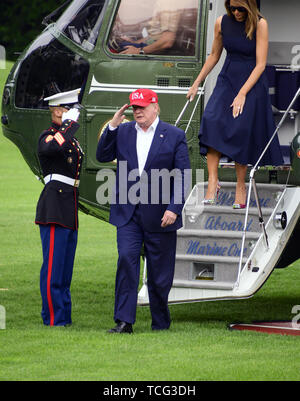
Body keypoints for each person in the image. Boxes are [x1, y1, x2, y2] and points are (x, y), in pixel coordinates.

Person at [96, 88, 190, 333]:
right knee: (127, 260)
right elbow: (102, 155)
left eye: (142, 107)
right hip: (128, 213)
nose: (138, 111)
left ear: (155, 106)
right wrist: (113, 127)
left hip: (161, 216)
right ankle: (124, 321)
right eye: (134, 107)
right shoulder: (124, 131)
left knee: (160, 273)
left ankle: (160, 321)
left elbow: (183, 176)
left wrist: (174, 208)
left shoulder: (174, 135)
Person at [187, 0, 283, 208]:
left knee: (240, 129)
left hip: (251, 81)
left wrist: (242, 94)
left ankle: (241, 185)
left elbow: (260, 65)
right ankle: (213, 181)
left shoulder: (260, 24)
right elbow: (214, 55)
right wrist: (196, 82)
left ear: (249, 6)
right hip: (227, 77)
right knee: (211, 120)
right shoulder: (222, 22)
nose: (236, 12)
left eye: (240, 9)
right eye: (232, 8)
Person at [35, 89, 84, 327]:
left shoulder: (68, 138)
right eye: (68, 109)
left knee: (64, 269)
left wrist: (68, 127)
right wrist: (68, 125)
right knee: (53, 268)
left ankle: (64, 316)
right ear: (56, 111)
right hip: (54, 205)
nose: (72, 113)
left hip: (68, 205)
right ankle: (54, 318)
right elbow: (50, 150)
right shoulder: (48, 136)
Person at [117, 0, 182, 55]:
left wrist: (139, 51)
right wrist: (134, 43)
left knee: (119, 51)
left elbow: (167, 41)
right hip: (153, 44)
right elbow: (154, 36)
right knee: (123, 45)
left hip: (161, 52)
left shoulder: (167, 4)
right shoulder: (159, 3)